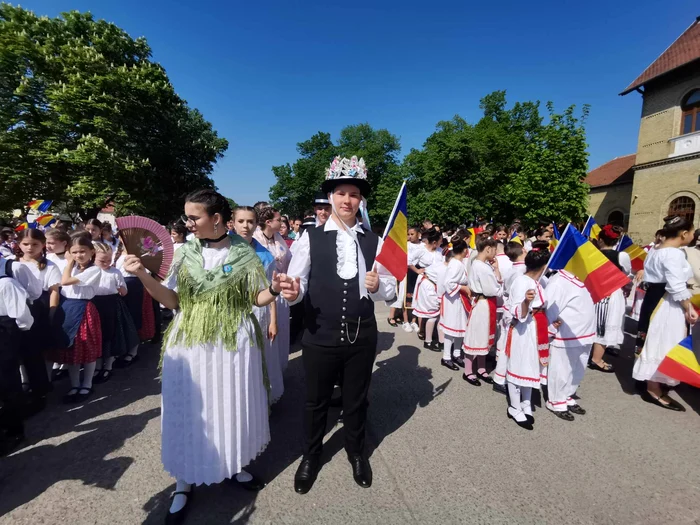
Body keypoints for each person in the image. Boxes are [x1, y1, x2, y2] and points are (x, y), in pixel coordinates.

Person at [122, 189, 295, 522]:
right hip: (190, 344)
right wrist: (143, 275)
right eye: (187, 217)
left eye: (194, 217)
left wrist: (273, 290)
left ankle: (232, 465)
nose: (188, 224)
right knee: (190, 409)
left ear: (216, 219)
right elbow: (171, 301)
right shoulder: (183, 253)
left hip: (234, 343)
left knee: (230, 406)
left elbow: (255, 299)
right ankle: (184, 482)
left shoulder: (244, 253)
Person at [283, 156, 396, 495]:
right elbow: (298, 284)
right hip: (320, 334)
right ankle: (311, 455)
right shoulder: (309, 238)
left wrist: (380, 288)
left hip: (362, 335)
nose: (348, 200)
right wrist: (290, 292)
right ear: (331, 197)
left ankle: (356, 452)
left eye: (354, 195)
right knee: (315, 401)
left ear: (360, 201)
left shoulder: (375, 241)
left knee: (357, 400)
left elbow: (391, 290)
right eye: (342, 193)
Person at [632, 215, 696, 411]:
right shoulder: (674, 254)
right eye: (692, 232)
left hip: (654, 298)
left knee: (653, 338)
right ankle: (653, 388)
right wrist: (689, 308)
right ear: (684, 233)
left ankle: (649, 381)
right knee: (662, 341)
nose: (693, 236)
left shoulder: (655, 250)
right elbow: (676, 286)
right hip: (666, 302)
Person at [235, 205, 284, 403]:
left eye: (250, 221)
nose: (245, 226)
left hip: (259, 311)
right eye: (241, 221)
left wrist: (273, 320)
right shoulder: (223, 250)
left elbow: (269, 289)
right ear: (233, 223)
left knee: (261, 358)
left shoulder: (264, 254)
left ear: (256, 224)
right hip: (233, 312)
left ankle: (262, 399)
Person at [47, 233, 103, 404]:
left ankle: (87, 383)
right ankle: (74, 384)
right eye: (75, 252)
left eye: (82, 251)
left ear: (91, 252)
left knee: (87, 346)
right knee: (70, 348)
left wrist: (69, 262)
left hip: (84, 308)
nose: (79, 255)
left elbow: (65, 281)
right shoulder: (68, 266)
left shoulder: (94, 269)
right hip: (67, 308)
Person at [503, 246, 551, 429]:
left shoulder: (536, 282)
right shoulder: (521, 282)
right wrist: (525, 302)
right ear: (543, 266)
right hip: (522, 329)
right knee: (518, 364)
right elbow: (515, 311)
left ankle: (525, 403)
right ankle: (514, 407)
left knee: (530, 365)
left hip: (534, 328)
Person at [15, 229, 60, 411]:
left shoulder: (48, 266)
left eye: (35, 244)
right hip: (17, 309)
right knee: (18, 350)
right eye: (26, 244)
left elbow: (54, 291)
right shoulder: (13, 264)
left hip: (38, 309)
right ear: (19, 245)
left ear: (43, 245)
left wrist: (51, 312)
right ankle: (24, 382)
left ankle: (40, 387)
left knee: (35, 351)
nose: (30, 248)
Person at [545, 270, 595, 420]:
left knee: (577, 368)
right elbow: (550, 307)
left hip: (585, 333)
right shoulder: (559, 280)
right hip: (566, 333)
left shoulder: (585, 274)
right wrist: (549, 329)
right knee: (561, 368)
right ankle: (556, 400)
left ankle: (567, 394)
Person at [254, 205, 293, 383]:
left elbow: (288, 261)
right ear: (268, 222)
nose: (282, 222)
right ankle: (265, 378)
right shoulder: (255, 240)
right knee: (266, 337)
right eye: (278, 219)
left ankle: (278, 375)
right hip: (264, 294)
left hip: (281, 293)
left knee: (282, 335)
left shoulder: (279, 239)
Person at [0, 258, 34, 457]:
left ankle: (15, 431)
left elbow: (21, 315)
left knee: (7, 382)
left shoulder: (6, 283)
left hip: (4, 331)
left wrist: (17, 334)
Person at [91, 243, 139, 384]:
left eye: (109, 260)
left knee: (112, 335)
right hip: (95, 304)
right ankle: (97, 366)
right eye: (102, 261)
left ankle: (108, 365)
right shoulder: (90, 271)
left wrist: (119, 288)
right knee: (99, 335)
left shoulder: (115, 272)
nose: (107, 263)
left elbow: (124, 291)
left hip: (112, 304)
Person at [589, 224, 632, 371]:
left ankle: (593, 354)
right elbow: (626, 272)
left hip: (595, 293)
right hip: (612, 293)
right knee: (605, 325)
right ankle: (597, 359)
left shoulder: (592, 255)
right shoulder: (621, 256)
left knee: (596, 323)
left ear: (600, 239)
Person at [463, 235, 502, 385]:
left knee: (482, 337)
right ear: (487, 249)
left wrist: (496, 269)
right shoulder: (482, 267)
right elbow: (492, 289)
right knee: (476, 336)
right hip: (484, 303)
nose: (495, 254)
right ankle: (468, 371)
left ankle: (480, 368)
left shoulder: (478, 264)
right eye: (494, 250)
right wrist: (500, 289)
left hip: (483, 303)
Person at [493, 240, 528, 391]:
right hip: (514, 309)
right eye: (524, 249)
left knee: (506, 344)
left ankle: (505, 376)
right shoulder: (521, 270)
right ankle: (500, 378)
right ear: (521, 252)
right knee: (508, 346)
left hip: (510, 308)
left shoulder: (513, 269)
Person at [437, 230, 471, 371]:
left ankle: (456, 354)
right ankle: (446, 356)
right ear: (464, 250)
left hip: (458, 299)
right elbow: (448, 283)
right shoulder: (455, 264)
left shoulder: (458, 263)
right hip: (453, 300)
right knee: (451, 329)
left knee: (459, 327)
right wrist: (463, 288)